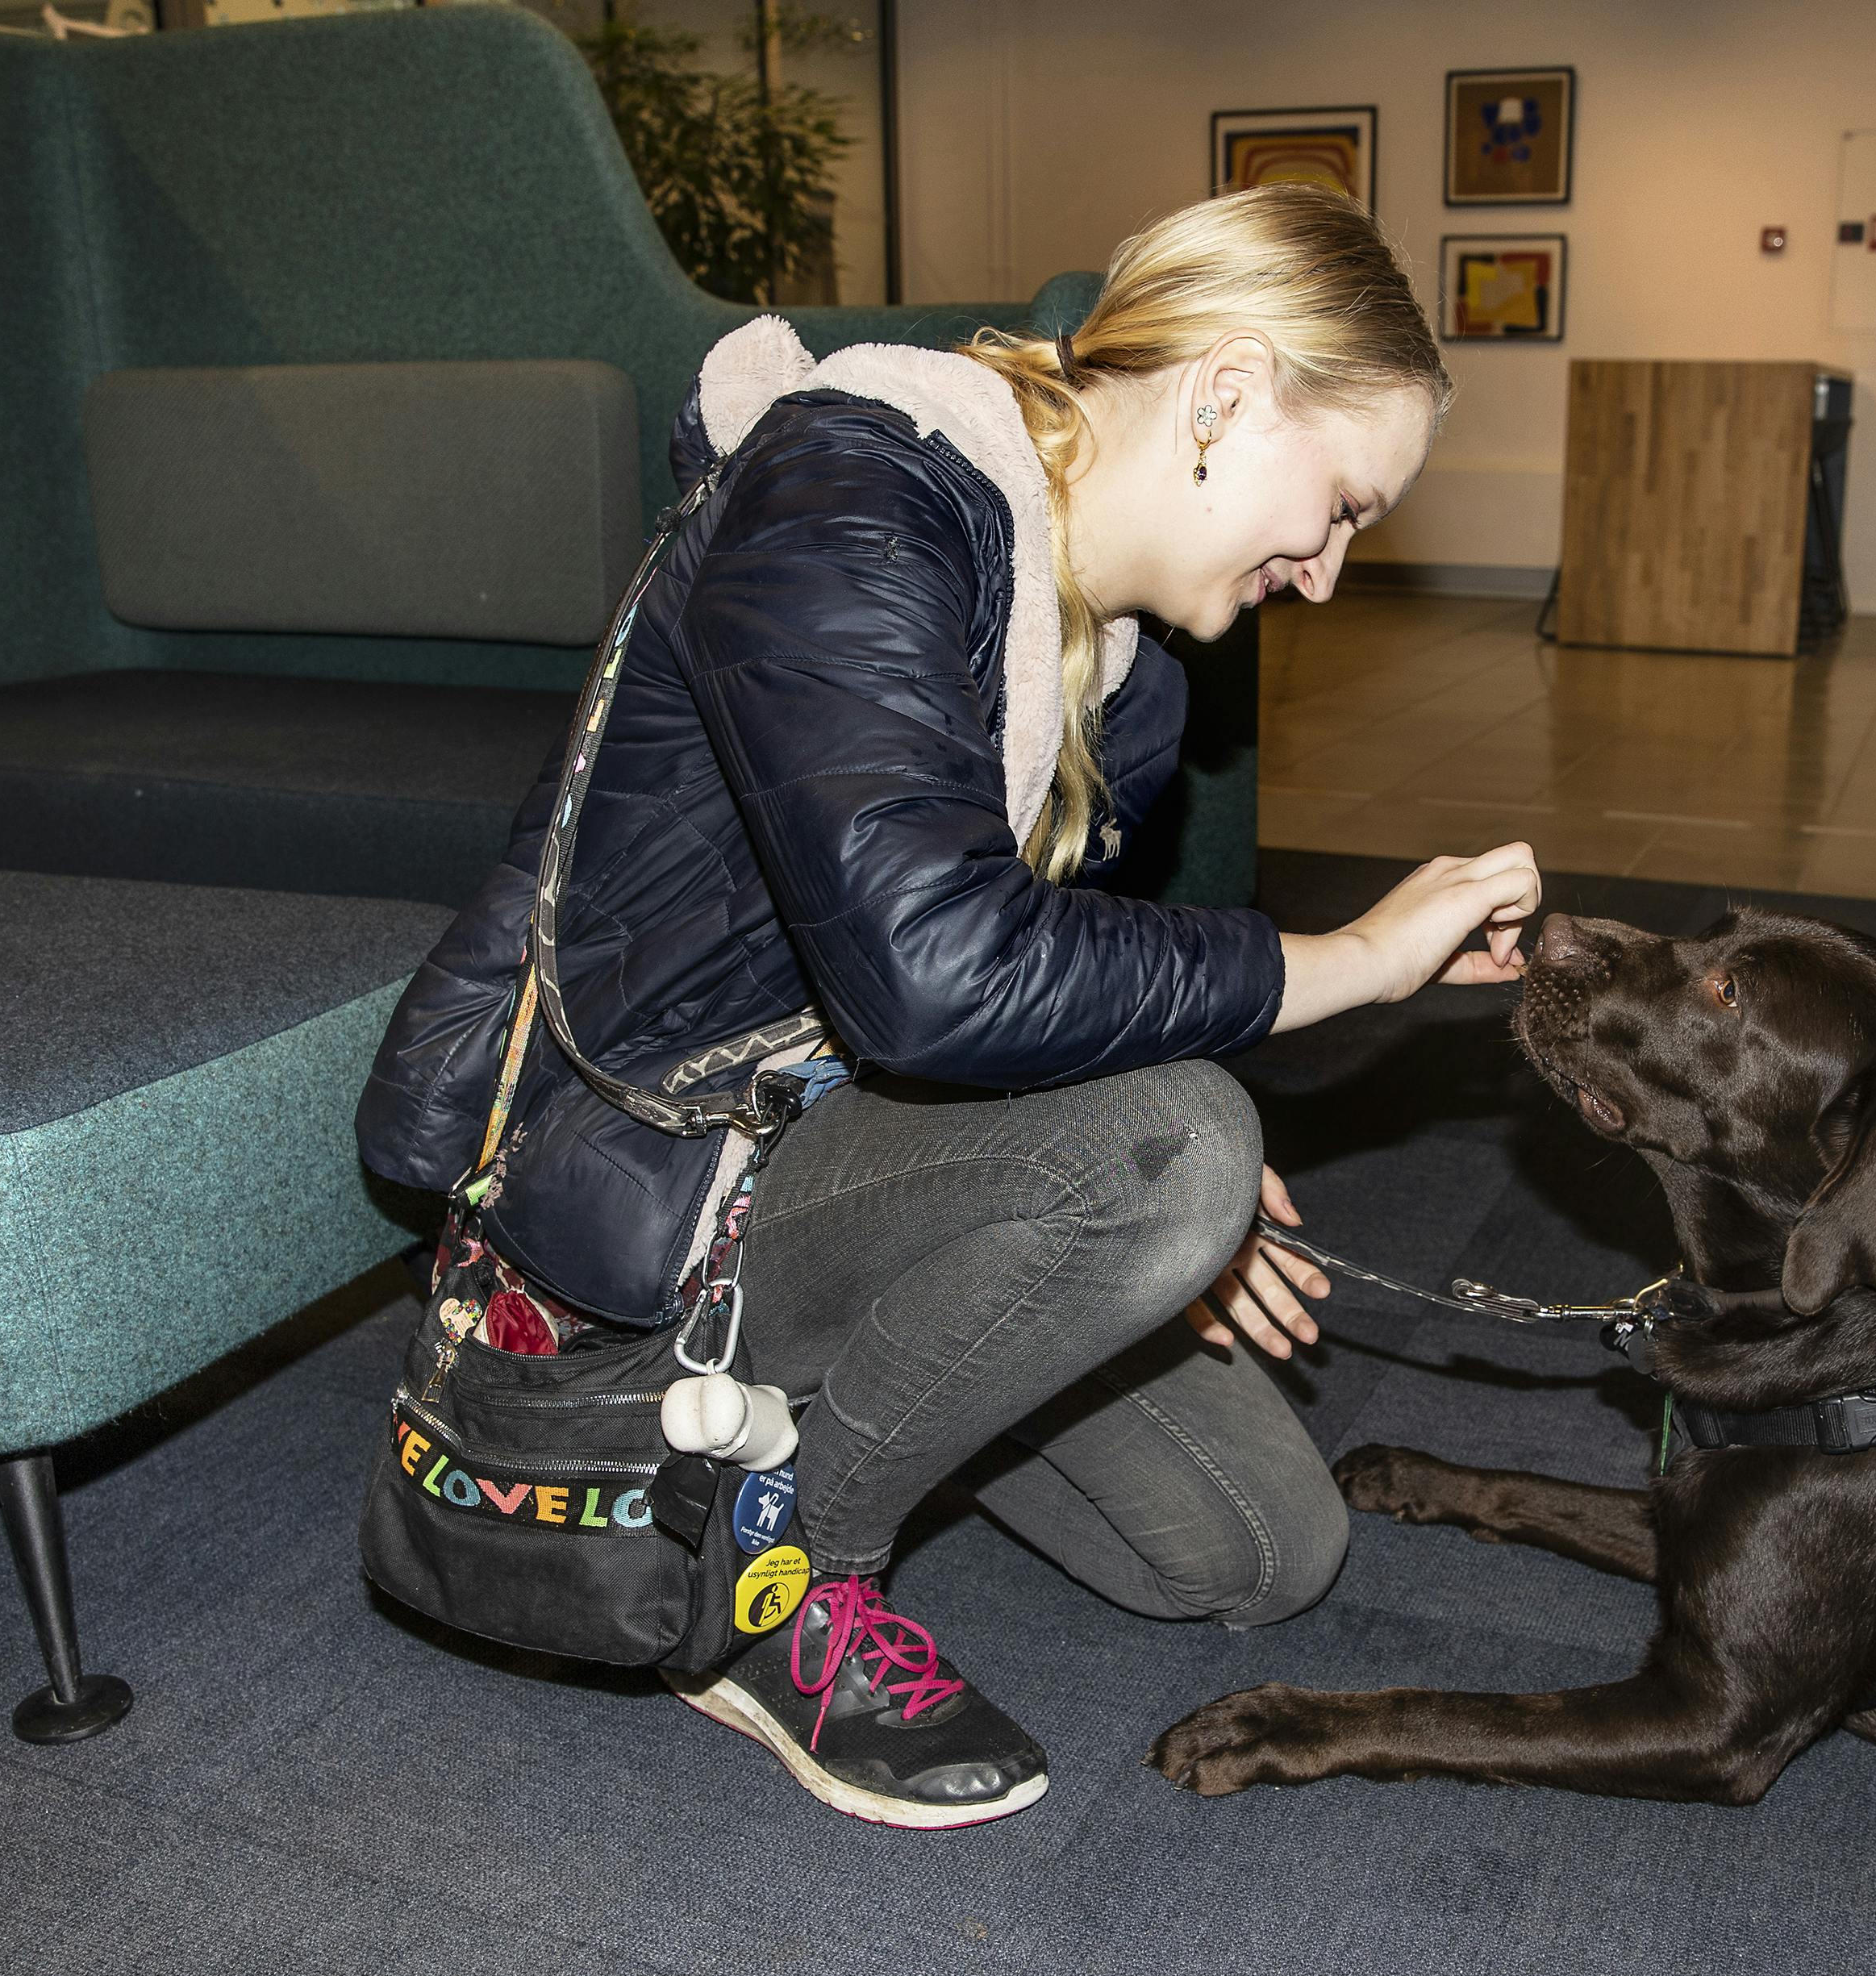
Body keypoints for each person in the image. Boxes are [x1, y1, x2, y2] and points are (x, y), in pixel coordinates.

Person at [358, 184, 1540, 1829]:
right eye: (1339, 504)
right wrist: (1333, 975)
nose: (1328, 575)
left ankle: (818, 1398)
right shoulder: (850, 488)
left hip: (832, 1154)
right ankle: (773, 1590)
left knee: (1260, 1550)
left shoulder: (1135, 694)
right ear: (1224, 396)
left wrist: (1104, 1236)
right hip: (653, 1162)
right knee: (1175, 1143)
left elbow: (1020, 1012)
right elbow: (936, 980)